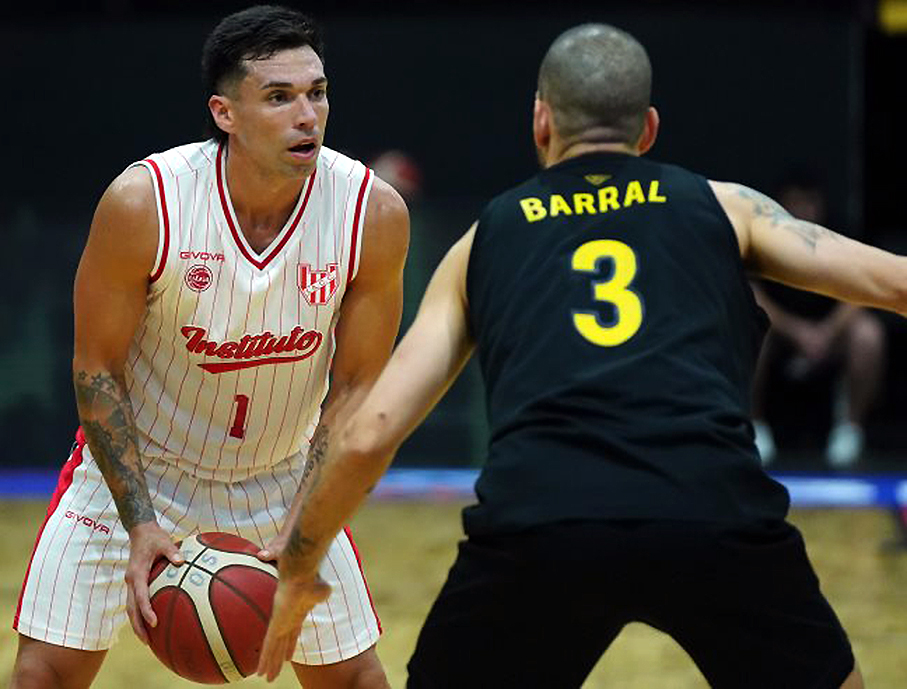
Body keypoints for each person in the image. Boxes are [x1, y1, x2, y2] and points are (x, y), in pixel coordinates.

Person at [252, 23, 902, 689]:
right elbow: (894, 284)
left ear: (541, 121)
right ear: (648, 129)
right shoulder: (725, 207)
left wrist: (301, 564)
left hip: (541, 520)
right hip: (709, 506)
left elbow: (371, 433)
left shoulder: (485, 239)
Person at [11, 6, 408, 689]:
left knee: (357, 681)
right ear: (225, 113)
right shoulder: (144, 203)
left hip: (283, 476)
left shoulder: (372, 214)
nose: (307, 115)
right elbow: (97, 369)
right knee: (41, 676)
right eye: (278, 97)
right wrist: (140, 523)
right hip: (142, 470)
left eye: (316, 93)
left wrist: (305, 523)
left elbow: (355, 388)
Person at [750, 176, 886, 468]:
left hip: (830, 338)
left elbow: (863, 290)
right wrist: (797, 332)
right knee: (746, 328)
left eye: (809, 202)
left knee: (868, 334)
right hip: (780, 335)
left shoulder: (839, 239)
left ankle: (850, 429)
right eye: (795, 201)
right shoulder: (759, 240)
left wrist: (826, 332)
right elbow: (753, 295)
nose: (803, 210)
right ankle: (754, 426)